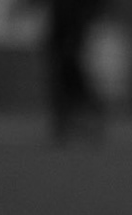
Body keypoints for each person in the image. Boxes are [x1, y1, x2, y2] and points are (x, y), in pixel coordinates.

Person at [22, 0, 112, 143]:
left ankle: (83, 114)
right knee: (60, 67)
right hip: (62, 19)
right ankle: (66, 121)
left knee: (68, 64)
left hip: (74, 17)